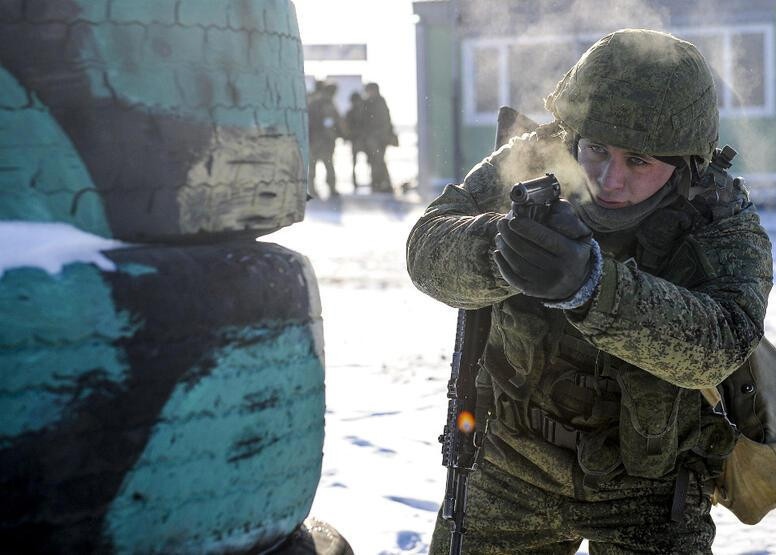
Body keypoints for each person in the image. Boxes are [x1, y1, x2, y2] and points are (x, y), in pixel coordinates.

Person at [407, 29, 773, 553]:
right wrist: (503, 247)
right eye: (596, 149)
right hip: (511, 465)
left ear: (685, 163)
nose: (608, 179)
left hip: (651, 490)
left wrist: (592, 288)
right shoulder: (536, 160)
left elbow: (722, 345)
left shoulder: (719, 221)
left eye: (639, 161)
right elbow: (426, 250)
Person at [307, 81, 342, 197]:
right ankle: (331, 188)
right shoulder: (327, 103)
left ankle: (312, 190)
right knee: (328, 165)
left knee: (313, 166)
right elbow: (332, 122)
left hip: (314, 140)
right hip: (324, 141)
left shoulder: (312, 102)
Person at [363, 82, 397, 193]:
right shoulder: (372, 102)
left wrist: (384, 135)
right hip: (375, 137)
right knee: (375, 161)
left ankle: (382, 184)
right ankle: (379, 183)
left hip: (377, 138)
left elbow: (385, 121)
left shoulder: (377, 103)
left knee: (378, 161)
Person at [344, 91, 368, 189]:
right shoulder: (361, 111)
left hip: (361, 139)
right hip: (357, 139)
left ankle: (357, 182)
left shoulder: (363, 111)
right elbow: (346, 126)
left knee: (359, 161)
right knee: (355, 161)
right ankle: (355, 182)